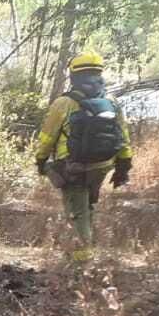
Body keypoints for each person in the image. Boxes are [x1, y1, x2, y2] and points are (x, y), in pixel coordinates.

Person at [34, 51, 134, 263]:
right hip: (103, 165)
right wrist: (124, 165)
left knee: (78, 214)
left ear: (73, 76)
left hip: (73, 167)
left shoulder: (64, 103)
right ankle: (85, 253)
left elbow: (47, 137)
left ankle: (80, 266)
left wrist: (41, 160)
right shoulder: (112, 101)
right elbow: (123, 135)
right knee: (88, 206)